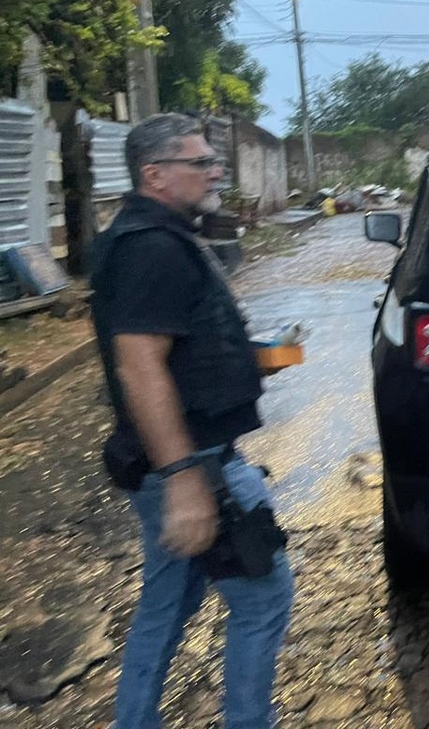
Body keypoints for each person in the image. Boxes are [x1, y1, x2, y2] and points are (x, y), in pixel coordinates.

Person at [91, 114, 293, 728]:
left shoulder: (147, 234)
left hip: (172, 462)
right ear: (155, 174)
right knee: (264, 598)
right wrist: (184, 479)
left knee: (166, 606)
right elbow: (139, 365)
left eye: (213, 161)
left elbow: (173, 349)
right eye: (200, 163)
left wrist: (247, 358)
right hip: (196, 464)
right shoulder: (153, 246)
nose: (214, 173)